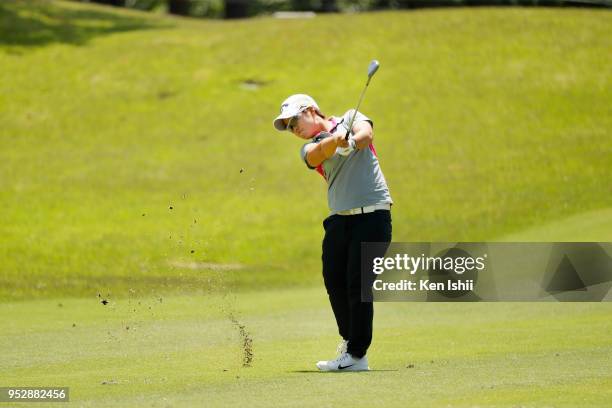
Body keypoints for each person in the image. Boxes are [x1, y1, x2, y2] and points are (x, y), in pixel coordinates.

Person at [273, 94, 393, 372]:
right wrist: (335, 142)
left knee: (357, 283)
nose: (294, 129)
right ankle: (350, 343)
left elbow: (366, 134)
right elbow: (317, 155)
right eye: (289, 127)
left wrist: (349, 140)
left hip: (373, 216)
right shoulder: (309, 148)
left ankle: (357, 353)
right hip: (340, 220)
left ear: (311, 110)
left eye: (294, 121)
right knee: (333, 280)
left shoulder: (350, 118)